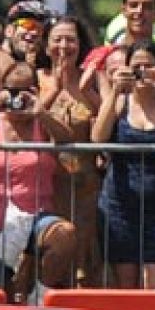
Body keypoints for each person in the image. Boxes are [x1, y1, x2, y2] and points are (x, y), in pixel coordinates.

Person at [0, 61, 79, 300]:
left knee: (64, 235)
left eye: (23, 92)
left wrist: (41, 112)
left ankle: (40, 296)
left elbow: (67, 139)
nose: (16, 100)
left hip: (35, 216)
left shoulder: (41, 123)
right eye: (11, 91)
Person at [93, 41, 155, 288]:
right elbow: (98, 137)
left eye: (148, 67)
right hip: (121, 208)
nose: (141, 73)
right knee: (127, 291)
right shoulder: (119, 102)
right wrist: (116, 90)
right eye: (136, 67)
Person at [37, 16, 103, 286]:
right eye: (57, 39)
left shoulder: (91, 80)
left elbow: (105, 117)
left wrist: (78, 88)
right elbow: (28, 119)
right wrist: (54, 90)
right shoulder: (36, 77)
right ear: (46, 45)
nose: (64, 46)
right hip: (48, 185)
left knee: (85, 260)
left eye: (71, 40)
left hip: (85, 188)